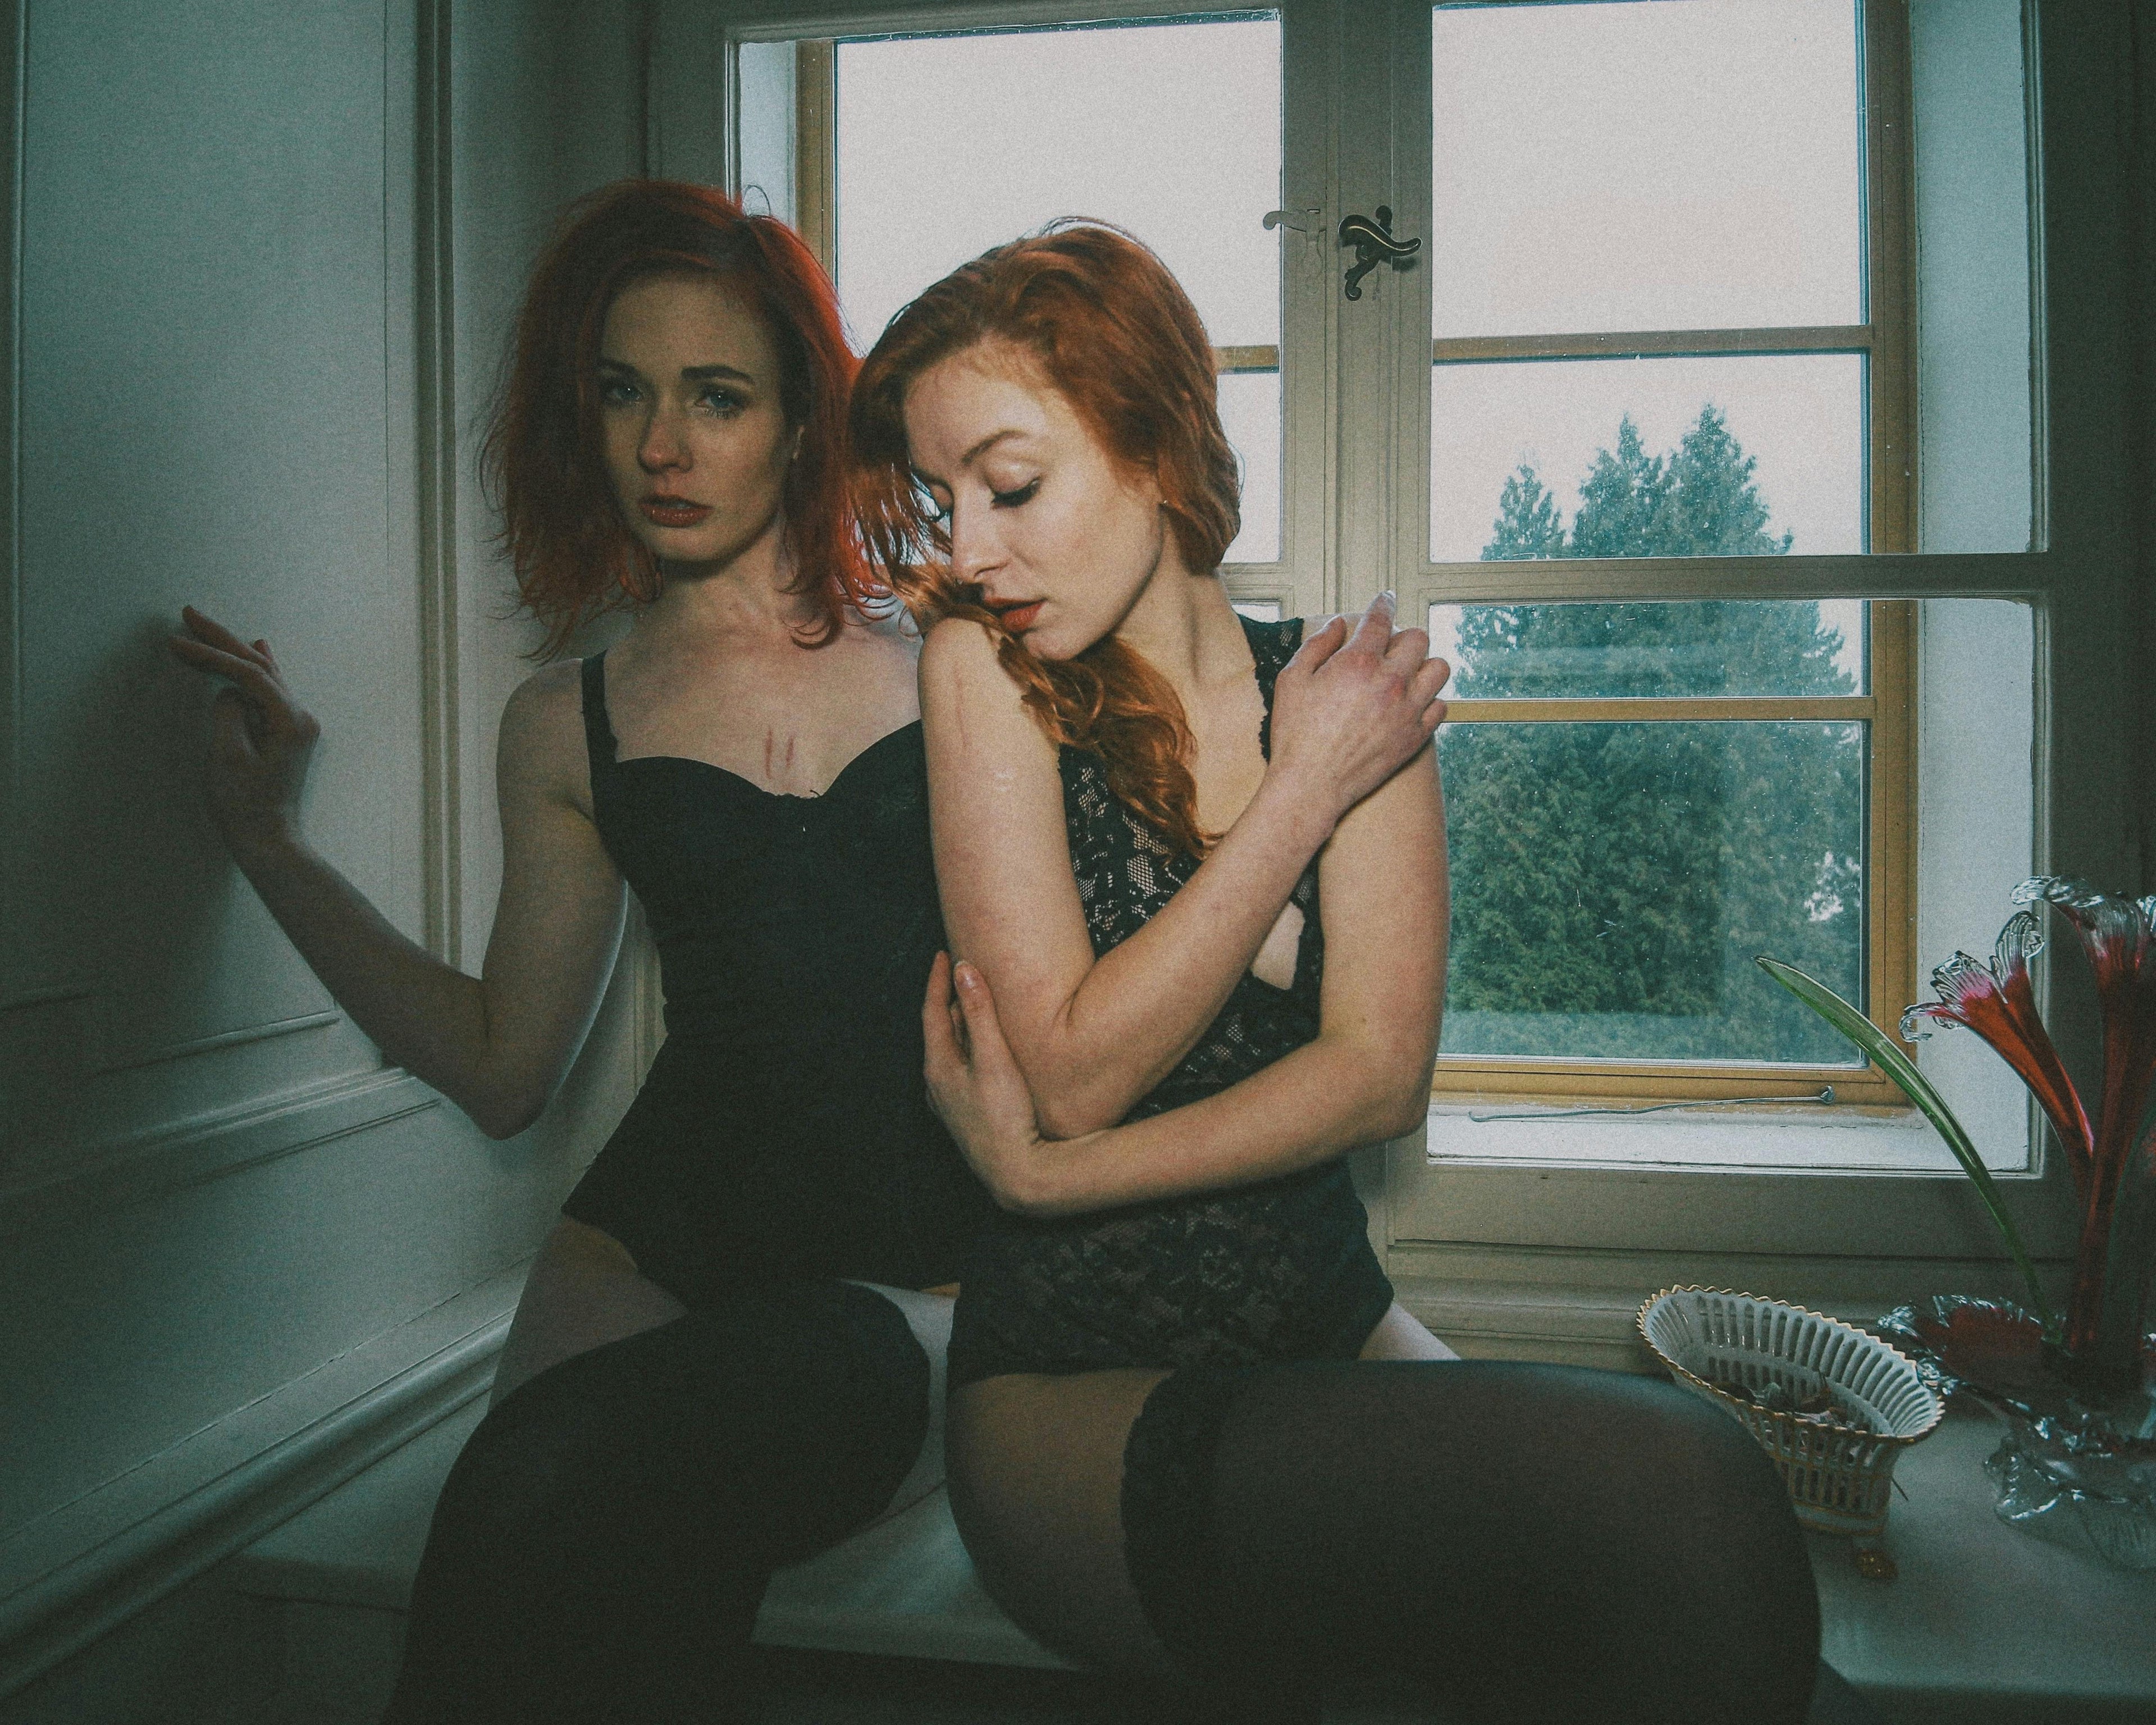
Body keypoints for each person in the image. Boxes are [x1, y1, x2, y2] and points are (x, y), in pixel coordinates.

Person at [170, 184, 1442, 1723]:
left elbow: (1178, 940)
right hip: (655, 1242)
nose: (662, 445)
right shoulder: (566, 721)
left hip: (919, 1259)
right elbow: (506, 1066)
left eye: (716, 396)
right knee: (528, 1517)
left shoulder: (980, 651)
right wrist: (271, 849)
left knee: (622, 1493)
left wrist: (1309, 818)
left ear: (800, 425)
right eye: (621, 394)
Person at [849, 223, 1853, 1724]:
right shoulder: (984, 674)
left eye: (1009, 486)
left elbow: (1377, 1076)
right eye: (944, 503)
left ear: (1154, 444)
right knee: (1686, 1491)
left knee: (1702, 1593)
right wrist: (1302, 793)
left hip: (1328, 1330)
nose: (969, 551)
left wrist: (1049, 1183)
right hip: (1074, 1397)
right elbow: (1070, 1071)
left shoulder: (1339, 689)